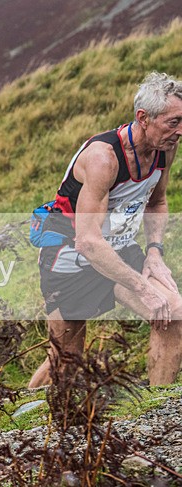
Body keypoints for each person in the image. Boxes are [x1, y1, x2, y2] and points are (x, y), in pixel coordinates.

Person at [28, 72, 182, 389]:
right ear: (143, 118)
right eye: (173, 122)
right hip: (71, 257)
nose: (180, 131)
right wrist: (143, 288)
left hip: (119, 249)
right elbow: (87, 241)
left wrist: (154, 253)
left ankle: (157, 411)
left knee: (172, 314)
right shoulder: (103, 158)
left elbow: (157, 201)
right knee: (65, 361)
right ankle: (27, 417)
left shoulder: (164, 148)